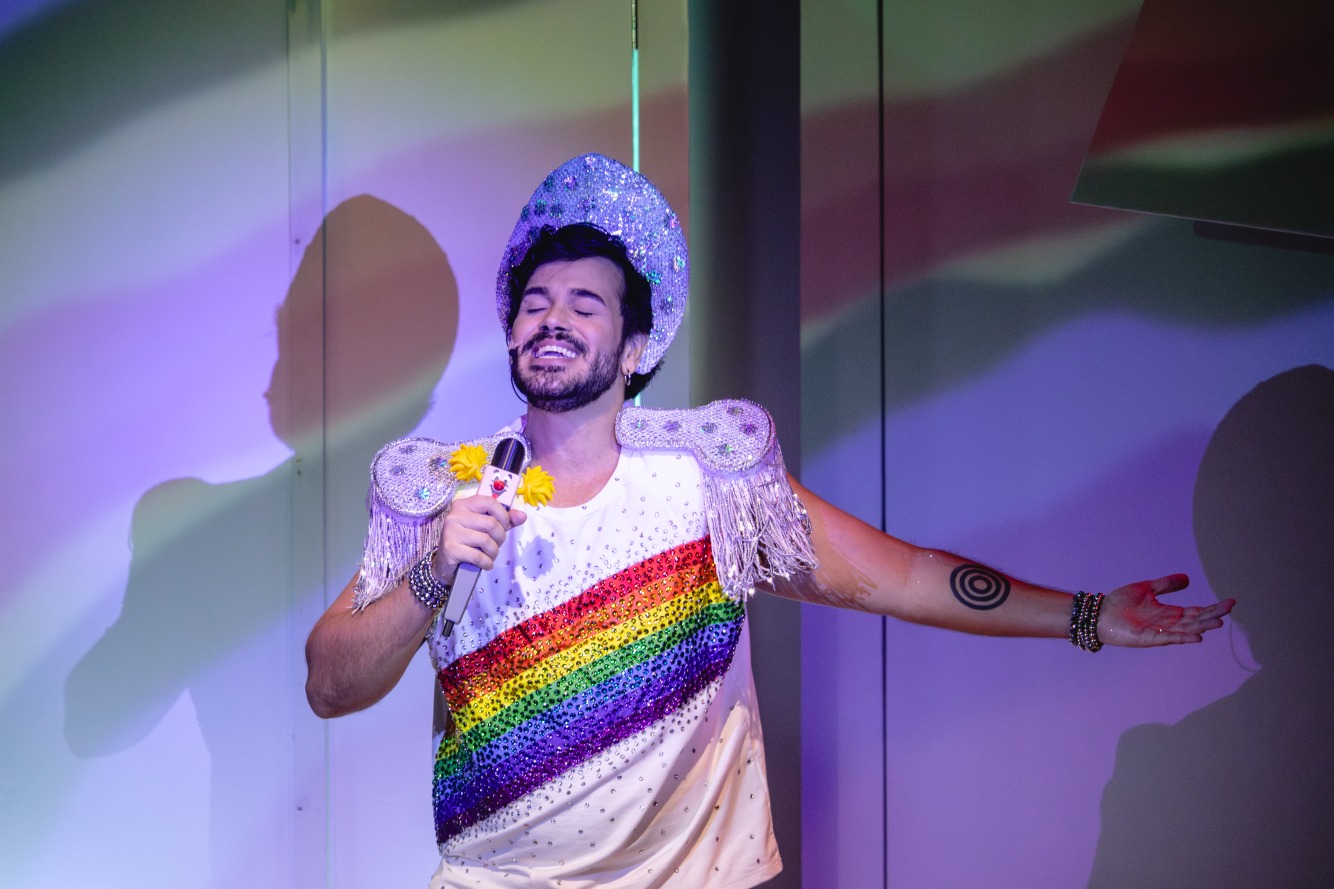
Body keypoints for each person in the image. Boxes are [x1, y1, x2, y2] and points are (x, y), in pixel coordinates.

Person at [305, 154, 1234, 889]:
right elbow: (330, 682)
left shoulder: (712, 482)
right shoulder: (447, 490)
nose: (552, 319)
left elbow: (902, 575)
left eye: (584, 305)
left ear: (634, 348)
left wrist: (1087, 615)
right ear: (512, 333)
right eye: (535, 303)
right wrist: (432, 571)